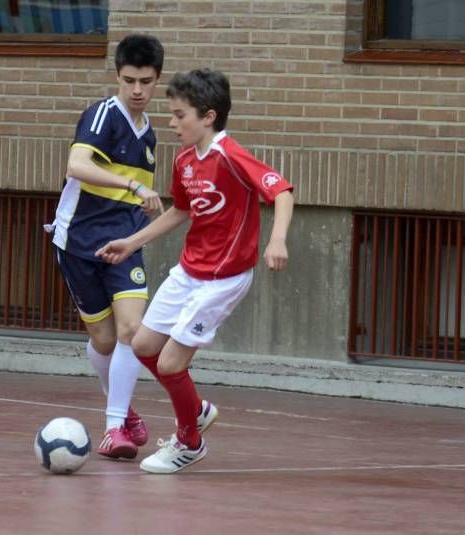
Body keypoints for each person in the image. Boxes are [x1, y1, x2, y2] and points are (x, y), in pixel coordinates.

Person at [96, 68, 295, 473]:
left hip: (223, 280)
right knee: (144, 346)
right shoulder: (186, 160)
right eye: (170, 114)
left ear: (208, 116)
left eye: (179, 115)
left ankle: (190, 441)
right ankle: (195, 408)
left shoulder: (230, 155)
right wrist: (132, 243)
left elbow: (281, 190)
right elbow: (181, 211)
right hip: (188, 272)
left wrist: (277, 240)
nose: (171, 123)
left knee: (171, 364)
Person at [48, 34, 165, 459]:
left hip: (123, 244)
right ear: (117, 75)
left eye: (146, 82)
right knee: (103, 340)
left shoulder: (149, 134)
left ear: (157, 81)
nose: (137, 90)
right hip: (78, 241)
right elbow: (77, 165)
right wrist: (131, 183)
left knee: (132, 331)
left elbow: (135, 193)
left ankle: (114, 428)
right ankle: (125, 410)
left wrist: (141, 209)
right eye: (130, 80)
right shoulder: (103, 115)